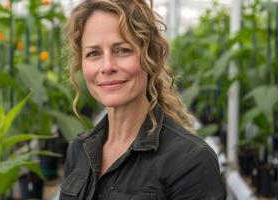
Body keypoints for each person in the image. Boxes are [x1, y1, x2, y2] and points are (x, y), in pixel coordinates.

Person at [60, 0, 227, 199]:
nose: (107, 66)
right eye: (93, 53)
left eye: (122, 50)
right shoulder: (78, 151)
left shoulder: (191, 161)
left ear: (150, 57)